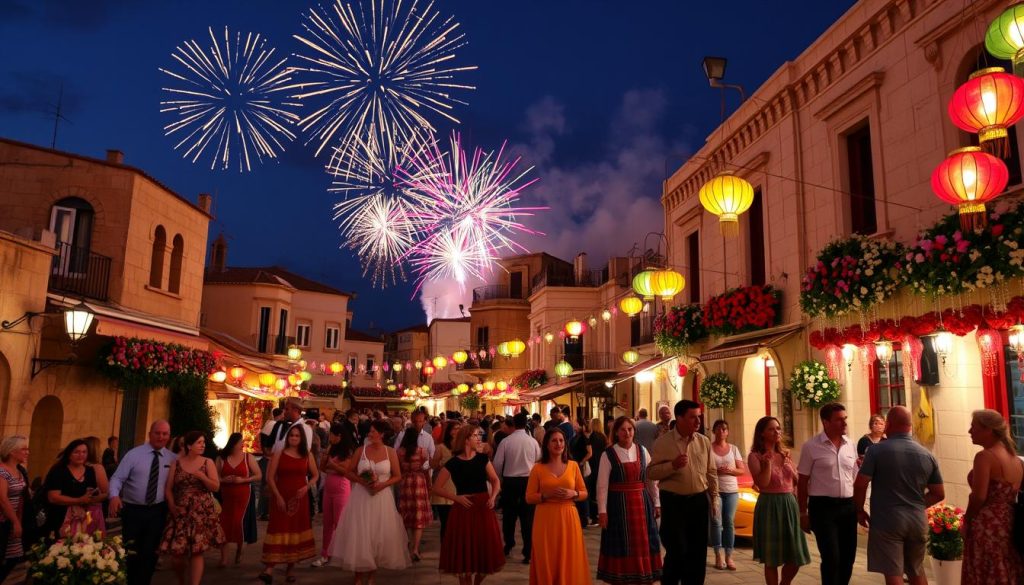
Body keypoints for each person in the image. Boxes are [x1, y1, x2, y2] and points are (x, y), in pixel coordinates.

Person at [853, 406, 944, 585]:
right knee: (916, 570)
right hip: (917, 520)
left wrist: (859, 510)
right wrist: (916, 504)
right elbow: (938, 493)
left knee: (893, 571)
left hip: (888, 520)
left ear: (889, 424)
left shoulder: (876, 451)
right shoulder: (926, 454)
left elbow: (861, 483)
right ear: (910, 426)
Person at [330, 419, 409, 584]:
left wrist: (382, 485)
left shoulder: (390, 452)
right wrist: (363, 481)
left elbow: (397, 475)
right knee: (360, 535)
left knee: (377, 537)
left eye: (373, 431)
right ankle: (358, 577)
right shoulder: (361, 450)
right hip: (361, 497)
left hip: (382, 498)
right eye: (370, 431)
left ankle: (372, 576)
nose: (370, 434)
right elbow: (349, 472)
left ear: (381, 434)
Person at [648, 399, 718, 585]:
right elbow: (651, 472)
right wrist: (673, 465)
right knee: (677, 551)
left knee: (697, 552)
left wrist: (714, 498)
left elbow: (711, 472)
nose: (698, 422)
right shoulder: (663, 443)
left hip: (698, 501)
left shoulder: (703, 442)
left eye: (699, 417)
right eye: (693, 417)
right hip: (674, 502)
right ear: (679, 418)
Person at [433, 424, 505, 584]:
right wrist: (456, 498)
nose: (479, 438)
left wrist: (493, 497)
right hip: (463, 508)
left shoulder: (482, 459)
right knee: (463, 551)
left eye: (479, 435)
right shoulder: (453, 463)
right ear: (466, 440)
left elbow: (495, 481)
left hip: (482, 507)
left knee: (484, 549)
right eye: (475, 436)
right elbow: (436, 488)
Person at [797, 402, 858, 585]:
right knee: (831, 557)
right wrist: (803, 512)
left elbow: (854, 477)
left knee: (848, 558)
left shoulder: (851, 445)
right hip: (823, 508)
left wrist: (860, 506)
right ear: (826, 422)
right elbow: (802, 481)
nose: (844, 423)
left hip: (847, 506)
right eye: (839, 420)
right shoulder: (811, 446)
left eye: (845, 419)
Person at [596, 416, 662, 585]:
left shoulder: (642, 451)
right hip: (618, 505)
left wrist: (656, 502)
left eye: (630, 429)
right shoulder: (608, 454)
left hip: (641, 503)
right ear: (616, 433)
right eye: (623, 430)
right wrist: (602, 511)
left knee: (642, 542)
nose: (627, 433)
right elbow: (602, 485)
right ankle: (621, 577)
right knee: (622, 541)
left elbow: (651, 480)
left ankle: (642, 574)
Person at [961, 409, 1024, 584]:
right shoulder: (1016, 460)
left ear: (988, 430)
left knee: (984, 570)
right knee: (1005, 567)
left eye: (974, 427)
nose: (970, 431)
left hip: (987, 526)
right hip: (1009, 523)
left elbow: (979, 497)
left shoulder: (985, 457)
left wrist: (967, 521)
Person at [109, 420, 175, 585]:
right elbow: (117, 477)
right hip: (133, 511)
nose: (161, 437)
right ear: (150, 434)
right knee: (131, 551)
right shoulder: (134, 455)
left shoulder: (173, 459)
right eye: (157, 433)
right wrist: (114, 496)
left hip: (157, 511)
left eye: (165, 434)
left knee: (151, 552)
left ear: (169, 436)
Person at [748, 416, 810, 585]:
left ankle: (785, 583)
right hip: (769, 505)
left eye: (778, 428)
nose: (777, 432)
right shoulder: (755, 456)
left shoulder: (785, 454)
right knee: (772, 558)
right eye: (771, 429)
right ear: (762, 433)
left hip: (789, 504)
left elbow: (796, 480)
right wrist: (767, 463)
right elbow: (762, 483)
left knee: (796, 556)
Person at [525, 427, 590, 585]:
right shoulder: (537, 468)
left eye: (561, 440)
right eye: (554, 440)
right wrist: (545, 495)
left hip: (568, 517)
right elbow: (529, 497)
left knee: (569, 556)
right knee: (546, 557)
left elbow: (584, 493)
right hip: (545, 518)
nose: (558, 444)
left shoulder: (573, 466)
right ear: (546, 444)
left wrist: (572, 494)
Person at [158, 432, 224, 585]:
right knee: (177, 556)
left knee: (197, 551)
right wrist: (172, 506)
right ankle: (181, 580)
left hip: (200, 512)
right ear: (189, 446)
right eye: (199, 443)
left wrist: (202, 477)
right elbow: (168, 488)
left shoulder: (208, 462)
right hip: (180, 511)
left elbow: (215, 487)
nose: (203, 445)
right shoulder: (177, 463)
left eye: (203, 442)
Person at [260, 425, 319, 583]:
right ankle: (269, 568)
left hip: (299, 498)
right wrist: (277, 496)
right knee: (277, 528)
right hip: (281, 496)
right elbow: (270, 478)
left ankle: (290, 568)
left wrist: (306, 487)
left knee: (295, 529)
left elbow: (315, 475)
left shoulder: (307, 455)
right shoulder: (279, 454)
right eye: (291, 435)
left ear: (302, 439)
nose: (293, 438)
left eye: (297, 436)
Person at [492, 412, 541, 563]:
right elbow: (538, 460)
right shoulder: (532, 442)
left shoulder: (506, 442)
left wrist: (500, 478)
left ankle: (509, 543)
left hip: (510, 482)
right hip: (528, 481)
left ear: (513, 424)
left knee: (509, 516)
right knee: (527, 518)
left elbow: (498, 464)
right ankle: (528, 551)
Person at [43, 438, 107, 539]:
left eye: (84, 452)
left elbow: (100, 493)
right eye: (76, 452)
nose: (81, 455)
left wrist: (93, 498)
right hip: (61, 519)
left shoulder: (91, 471)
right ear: (69, 454)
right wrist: (79, 500)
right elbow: (53, 497)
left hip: (85, 520)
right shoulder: (59, 470)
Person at [312, 422, 355, 568]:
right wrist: (328, 462)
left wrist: (333, 465)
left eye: (332, 434)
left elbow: (347, 470)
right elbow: (323, 468)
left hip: (341, 488)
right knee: (327, 523)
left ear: (339, 436)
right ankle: (325, 553)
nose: (330, 436)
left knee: (340, 522)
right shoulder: (331, 449)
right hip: (329, 487)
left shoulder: (347, 451)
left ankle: (344, 553)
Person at [216, 432, 260, 567]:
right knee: (224, 524)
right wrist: (224, 479)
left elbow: (258, 475)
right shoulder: (221, 458)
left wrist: (244, 480)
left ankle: (240, 549)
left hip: (244, 495)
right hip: (226, 496)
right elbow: (214, 477)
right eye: (241, 442)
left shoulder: (248, 457)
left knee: (240, 523)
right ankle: (224, 558)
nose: (243, 444)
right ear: (234, 443)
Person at [710, 419, 745, 571]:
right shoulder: (709, 448)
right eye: (718, 429)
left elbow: (741, 469)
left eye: (724, 429)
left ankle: (729, 555)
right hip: (716, 490)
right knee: (716, 522)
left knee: (729, 522)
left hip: (731, 490)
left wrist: (730, 471)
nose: (722, 431)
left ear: (728, 432)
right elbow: (705, 469)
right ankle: (718, 554)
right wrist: (717, 471)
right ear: (714, 431)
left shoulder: (734, 449)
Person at [397, 420, 432, 561]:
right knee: (418, 516)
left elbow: (398, 469)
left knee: (406, 514)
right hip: (418, 482)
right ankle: (415, 549)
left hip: (405, 482)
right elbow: (426, 466)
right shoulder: (422, 451)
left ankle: (406, 545)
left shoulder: (399, 452)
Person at [0, 436, 29, 582]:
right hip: (3, 520)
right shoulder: (2, 471)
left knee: (14, 556)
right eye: (24, 449)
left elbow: (21, 497)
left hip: (13, 520)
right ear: (12, 452)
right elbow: (2, 499)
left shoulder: (20, 470)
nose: (27, 452)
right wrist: (15, 522)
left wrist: (19, 520)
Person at [431, 419, 462, 541]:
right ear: (449, 431)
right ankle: (446, 547)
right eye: (455, 428)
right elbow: (433, 465)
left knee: (458, 523)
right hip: (444, 488)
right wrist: (443, 466)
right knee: (446, 522)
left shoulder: (463, 447)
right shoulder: (441, 448)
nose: (457, 431)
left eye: (459, 428)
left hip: (459, 488)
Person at [569, 420, 594, 528]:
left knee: (582, 490)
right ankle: (580, 516)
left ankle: (585, 517)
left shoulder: (584, 438)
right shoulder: (575, 437)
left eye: (575, 424)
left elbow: (590, 452)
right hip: (575, 464)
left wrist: (582, 462)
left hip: (580, 466)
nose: (573, 425)